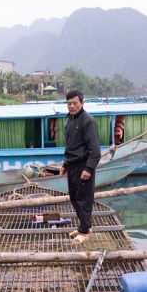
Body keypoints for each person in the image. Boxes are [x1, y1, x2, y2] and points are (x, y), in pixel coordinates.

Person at [60, 90, 101, 245]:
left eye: (75, 103)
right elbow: (70, 145)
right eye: (69, 103)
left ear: (82, 103)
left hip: (84, 165)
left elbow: (95, 150)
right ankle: (86, 226)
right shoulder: (69, 120)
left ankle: (83, 232)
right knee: (74, 198)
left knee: (84, 199)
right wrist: (65, 164)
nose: (72, 106)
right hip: (72, 164)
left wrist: (89, 168)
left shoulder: (88, 121)